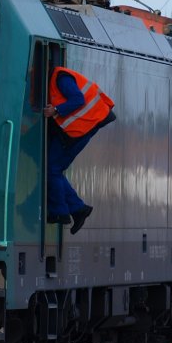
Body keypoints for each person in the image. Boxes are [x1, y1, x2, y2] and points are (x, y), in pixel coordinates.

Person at [43, 66, 116, 234]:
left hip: (83, 127)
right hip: (83, 126)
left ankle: (62, 212)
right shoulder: (58, 78)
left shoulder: (60, 77)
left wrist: (56, 110)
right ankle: (76, 209)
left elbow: (78, 99)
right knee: (53, 169)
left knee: (52, 169)